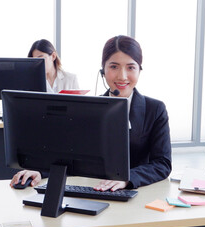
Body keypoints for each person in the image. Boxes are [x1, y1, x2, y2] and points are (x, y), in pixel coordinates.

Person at [11, 35, 172, 191]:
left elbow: (162, 163)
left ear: (139, 70)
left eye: (131, 67)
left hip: (139, 193)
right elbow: (72, 159)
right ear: (103, 70)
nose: (122, 76)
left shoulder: (155, 109)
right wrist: (40, 171)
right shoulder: (90, 110)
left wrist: (128, 178)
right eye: (114, 67)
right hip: (96, 191)